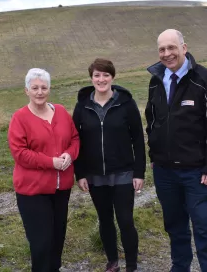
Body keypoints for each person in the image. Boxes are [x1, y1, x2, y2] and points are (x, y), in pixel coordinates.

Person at [145, 29, 207, 272]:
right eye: (162, 49)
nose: (167, 54)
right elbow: (152, 120)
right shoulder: (156, 81)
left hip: (196, 172)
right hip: (164, 172)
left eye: (172, 48)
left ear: (184, 48)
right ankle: (180, 267)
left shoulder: (205, 80)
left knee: (203, 226)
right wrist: (154, 155)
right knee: (174, 225)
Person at [73, 58, 146, 272]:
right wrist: (80, 173)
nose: (101, 79)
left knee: (125, 220)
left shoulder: (126, 103)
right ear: (91, 78)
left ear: (112, 77)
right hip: (95, 175)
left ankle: (131, 266)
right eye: (97, 75)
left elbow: (138, 140)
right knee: (105, 220)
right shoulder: (82, 106)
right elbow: (75, 140)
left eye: (105, 75)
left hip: (123, 172)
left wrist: (139, 172)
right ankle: (112, 262)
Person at [8, 68, 80, 272]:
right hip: (33, 191)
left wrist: (69, 154)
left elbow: (74, 138)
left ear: (49, 89)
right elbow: (20, 153)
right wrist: (52, 162)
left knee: (57, 239)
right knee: (41, 243)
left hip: (61, 189)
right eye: (35, 88)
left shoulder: (61, 112)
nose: (40, 92)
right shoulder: (20, 118)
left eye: (44, 88)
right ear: (27, 91)